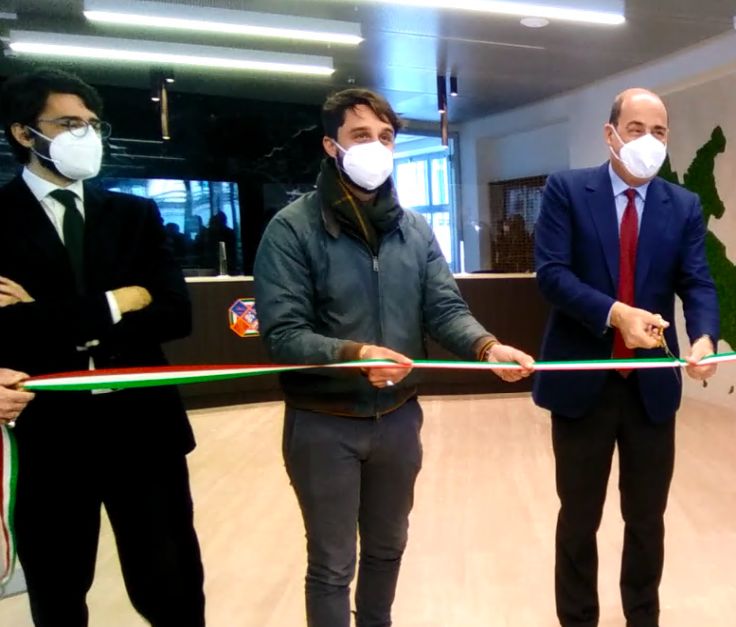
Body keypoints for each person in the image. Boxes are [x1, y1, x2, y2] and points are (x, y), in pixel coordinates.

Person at [253, 87, 535, 627]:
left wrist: (487, 346)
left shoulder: (413, 229)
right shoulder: (291, 229)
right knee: (333, 563)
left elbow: (445, 308)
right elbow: (284, 334)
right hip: (324, 424)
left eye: (385, 137)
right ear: (331, 146)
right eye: (361, 135)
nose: (376, 147)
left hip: (398, 420)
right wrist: (355, 355)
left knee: (388, 547)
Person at [0, 69, 205, 625]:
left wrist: (41, 315)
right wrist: (118, 301)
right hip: (47, 434)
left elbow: (176, 313)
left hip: (144, 430)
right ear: (23, 133)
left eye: (92, 124)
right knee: (58, 588)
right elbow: (3, 332)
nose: (85, 136)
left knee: (172, 584)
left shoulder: (134, 215)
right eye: (69, 124)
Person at [533, 87, 720, 627]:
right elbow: (552, 275)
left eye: (658, 131)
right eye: (636, 129)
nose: (648, 140)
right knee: (579, 516)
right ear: (610, 134)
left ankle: (642, 615)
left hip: (650, 387)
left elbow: (697, 281)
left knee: (646, 517)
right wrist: (616, 314)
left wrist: (705, 337)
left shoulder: (682, 205)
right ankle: (578, 618)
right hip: (582, 383)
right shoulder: (568, 190)